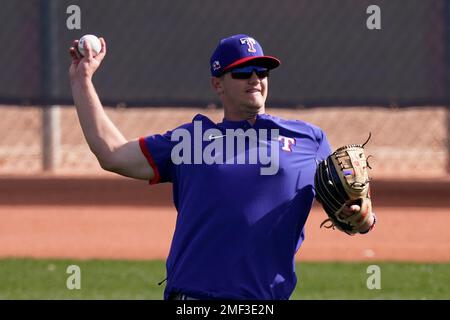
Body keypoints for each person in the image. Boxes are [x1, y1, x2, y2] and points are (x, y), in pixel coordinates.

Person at [69, 34, 376, 300]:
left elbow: (348, 207)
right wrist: (81, 80)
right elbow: (112, 154)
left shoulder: (308, 140)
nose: (255, 78)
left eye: (261, 71)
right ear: (218, 84)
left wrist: (361, 216)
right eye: (242, 72)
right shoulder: (191, 140)